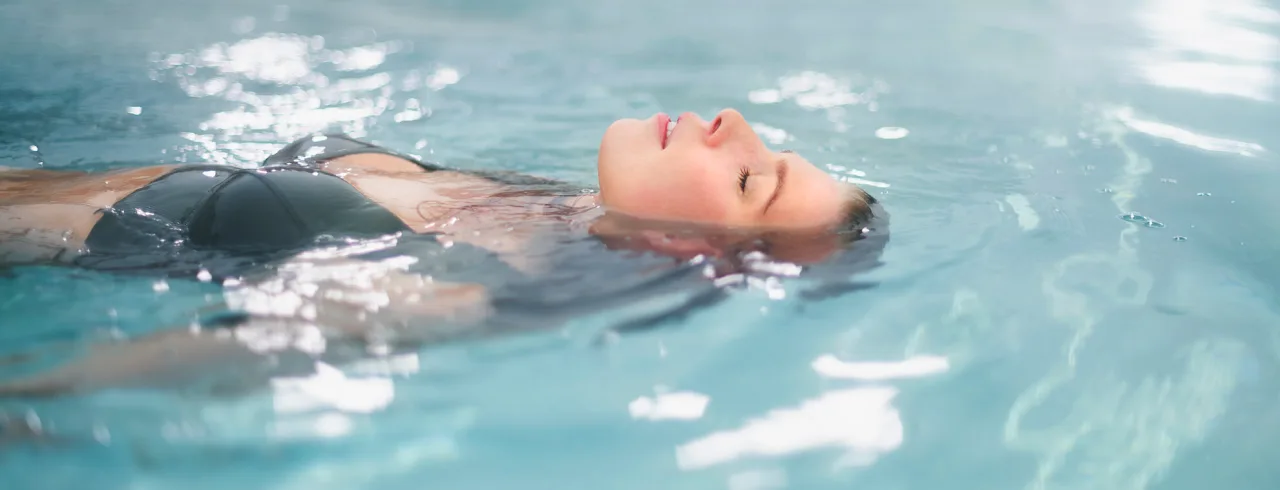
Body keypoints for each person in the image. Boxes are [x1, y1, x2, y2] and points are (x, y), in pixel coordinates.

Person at [0, 108, 886, 397]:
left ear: (685, 251)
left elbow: (238, 351)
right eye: (767, 151)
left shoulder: (478, 292)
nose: (734, 128)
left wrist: (32, 393)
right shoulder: (542, 201)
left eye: (746, 184)